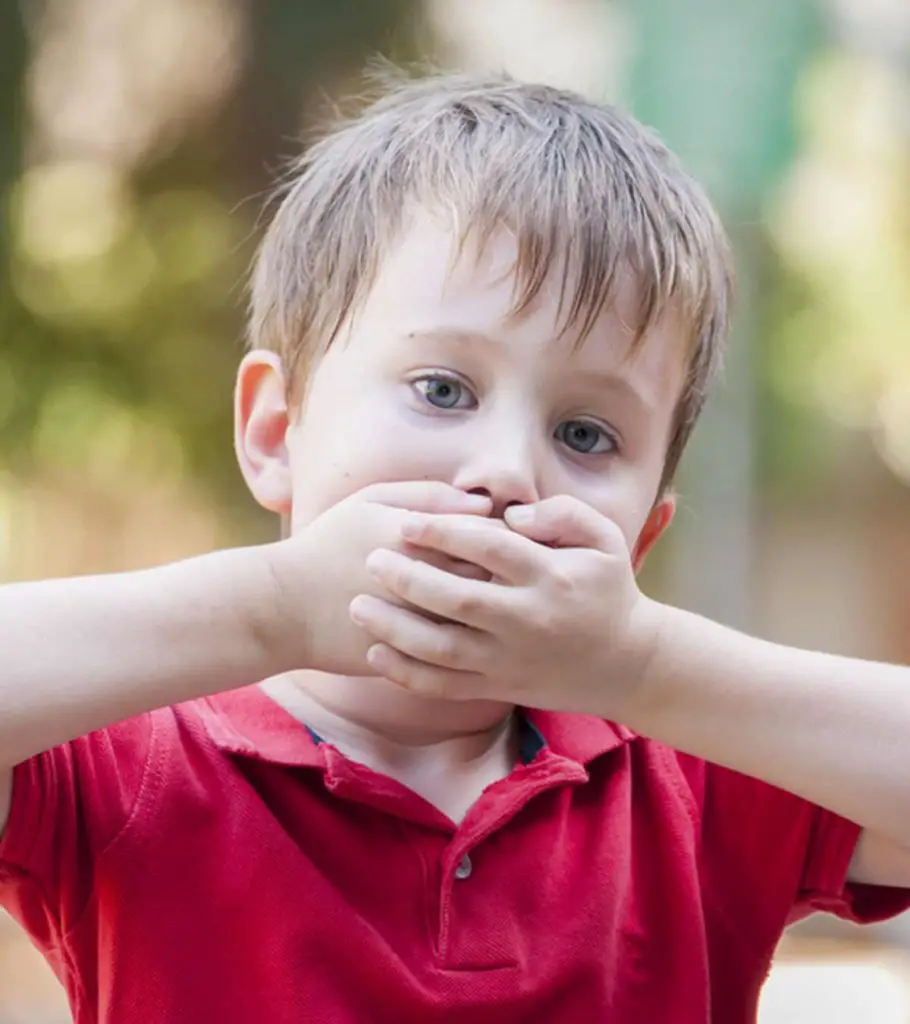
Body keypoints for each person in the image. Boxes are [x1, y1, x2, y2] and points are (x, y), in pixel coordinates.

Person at [0, 69, 908, 1024]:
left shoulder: (691, 780)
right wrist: (274, 608)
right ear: (276, 432)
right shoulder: (136, 756)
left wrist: (640, 666)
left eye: (587, 435)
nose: (506, 469)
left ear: (639, 539)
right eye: (442, 389)